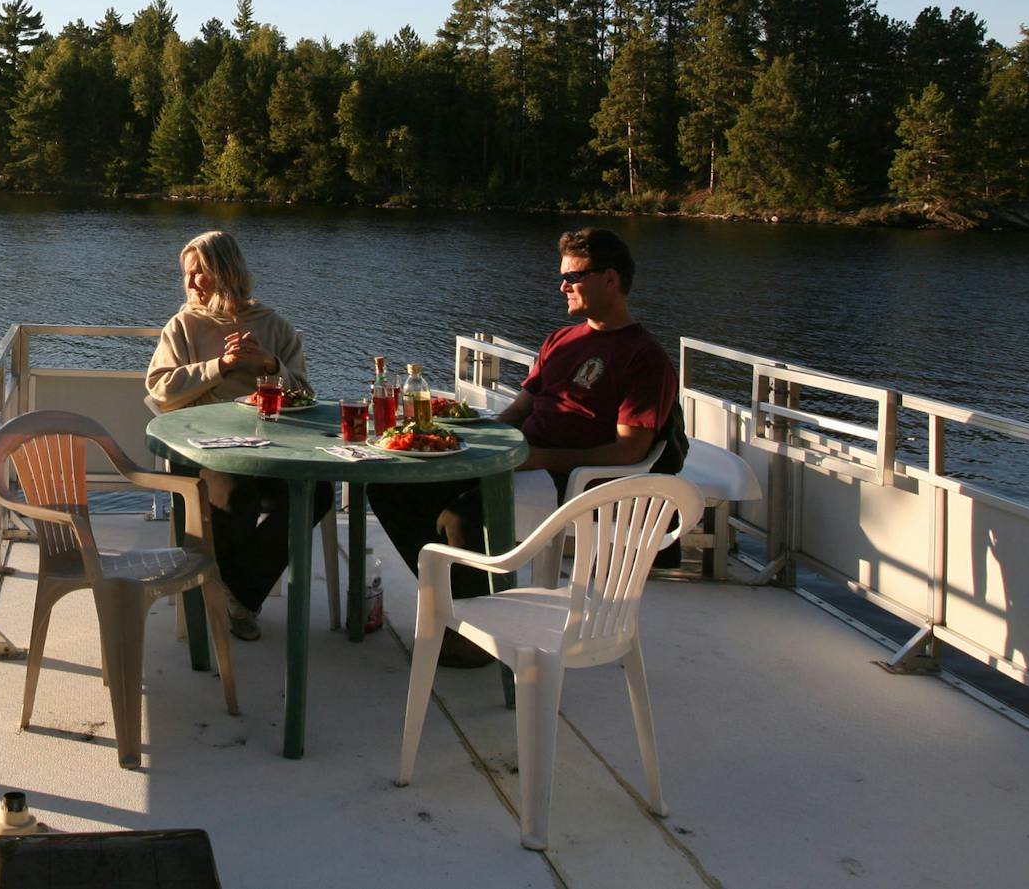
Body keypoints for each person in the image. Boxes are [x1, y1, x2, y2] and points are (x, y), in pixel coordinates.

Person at [369, 227, 682, 664]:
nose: (563, 286)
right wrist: (463, 441)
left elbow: (630, 450)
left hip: (569, 479)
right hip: (519, 458)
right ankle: (451, 606)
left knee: (461, 515)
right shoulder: (561, 340)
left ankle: (475, 639)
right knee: (389, 486)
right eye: (563, 277)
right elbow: (518, 411)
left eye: (573, 277)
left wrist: (539, 458)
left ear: (610, 279)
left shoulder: (645, 358)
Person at [145, 230, 332, 641]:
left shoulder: (272, 325)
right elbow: (159, 387)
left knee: (317, 492)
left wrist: (269, 365)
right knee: (235, 494)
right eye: (187, 275)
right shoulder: (183, 326)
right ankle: (239, 604)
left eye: (200, 274)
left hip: (274, 446)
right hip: (205, 451)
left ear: (226, 273)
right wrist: (220, 366)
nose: (190, 284)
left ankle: (238, 592)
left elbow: (305, 393)